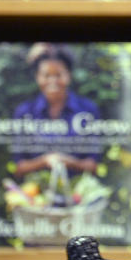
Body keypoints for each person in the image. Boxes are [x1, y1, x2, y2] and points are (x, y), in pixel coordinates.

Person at [11, 43, 100, 177]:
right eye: (46, 75)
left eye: (58, 74)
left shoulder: (87, 110)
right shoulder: (24, 112)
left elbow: (94, 166)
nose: (53, 81)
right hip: (35, 194)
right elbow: (19, 168)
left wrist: (68, 162)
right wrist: (44, 161)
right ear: (37, 77)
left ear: (69, 75)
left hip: (78, 194)